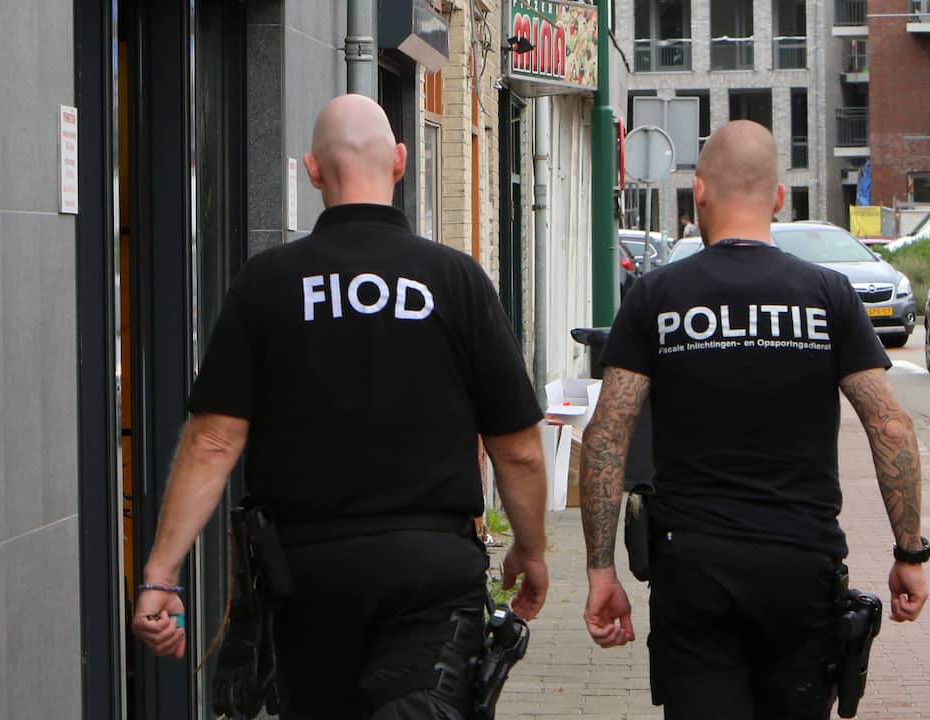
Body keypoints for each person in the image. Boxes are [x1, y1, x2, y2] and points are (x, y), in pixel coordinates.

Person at [130, 93, 550, 719]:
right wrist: (531, 550)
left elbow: (213, 441)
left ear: (313, 170)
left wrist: (161, 575)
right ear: (400, 162)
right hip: (430, 575)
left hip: (307, 579)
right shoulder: (456, 280)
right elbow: (517, 449)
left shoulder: (266, 283)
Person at [579, 120, 927, 719]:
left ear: (699, 193)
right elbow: (891, 427)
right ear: (779, 197)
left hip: (692, 566)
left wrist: (600, 569)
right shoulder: (828, 295)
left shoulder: (656, 296)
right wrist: (910, 553)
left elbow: (606, 437)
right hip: (801, 563)